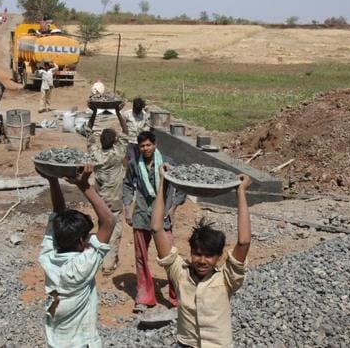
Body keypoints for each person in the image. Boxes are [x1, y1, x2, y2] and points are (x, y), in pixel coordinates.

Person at [151, 167, 252, 347]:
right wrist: (163, 183)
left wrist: (241, 192)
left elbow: (243, 242)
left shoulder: (227, 278)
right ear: (191, 252)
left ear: (219, 257)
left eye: (209, 256)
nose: (202, 261)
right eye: (197, 254)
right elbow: (156, 229)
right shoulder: (180, 273)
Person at [37, 164, 116, 348]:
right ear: (81, 241)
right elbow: (109, 221)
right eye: (88, 236)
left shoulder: (48, 256)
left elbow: (58, 213)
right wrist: (84, 186)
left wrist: (52, 179)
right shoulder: (80, 268)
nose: (91, 238)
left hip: (55, 340)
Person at [122, 131, 186, 312]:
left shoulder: (168, 163)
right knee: (141, 257)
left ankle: (176, 297)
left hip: (162, 215)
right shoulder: (135, 164)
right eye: (142, 146)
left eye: (148, 145)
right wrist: (128, 209)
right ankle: (144, 297)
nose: (145, 149)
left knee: (170, 257)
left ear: (155, 145)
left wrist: (173, 208)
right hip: (142, 215)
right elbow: (127, 185)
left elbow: (182, 184)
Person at [81, 101, 129, 275]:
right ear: (115, 141)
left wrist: (94, 112)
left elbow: (88, 130)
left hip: (100, 200)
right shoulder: (118, 154)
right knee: (114, 231)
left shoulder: (95, 155)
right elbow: (126, 132)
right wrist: (117, 111)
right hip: (115, 200)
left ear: (101, 141)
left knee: (103, 225)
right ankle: (108, 265)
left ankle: (98, 256)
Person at [121, 97, 150, 164]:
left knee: (139, 160)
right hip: (129, 141)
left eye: (138, 110)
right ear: (133, 107)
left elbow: (147, 127)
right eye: (136, 109)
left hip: (139, 142)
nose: (137, 111)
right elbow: (123, 127)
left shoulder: (144, 115)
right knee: (130, 160)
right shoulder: (127, 114)